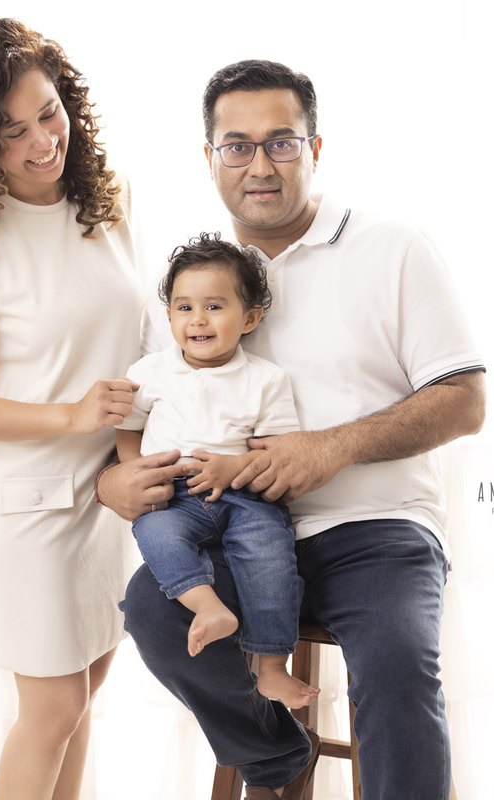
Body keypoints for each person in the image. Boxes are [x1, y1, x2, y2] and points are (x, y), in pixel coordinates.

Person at [97, 60, 487, 800]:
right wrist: (115, 480)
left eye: (281, 142)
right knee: (151, 607)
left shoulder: (395, 249)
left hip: (376, 529)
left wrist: (332, 448)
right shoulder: (190, 284)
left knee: (400, 668)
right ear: (209, 159)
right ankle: (275, 756)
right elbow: (149, 409)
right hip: (224, 526)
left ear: (315, 148)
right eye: (236, 145)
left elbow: (465, 400)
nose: (259, 164)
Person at [0, 19, 193, 800]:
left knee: (83, 696)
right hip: (25, 508)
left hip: (101, 497)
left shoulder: (111, 196)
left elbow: (140, 341)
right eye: (11, 132)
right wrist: (71, 417)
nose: (42, 141)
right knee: (53, 706)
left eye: (49, 112)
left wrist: (131, 467)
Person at [114, 233, 321, 709]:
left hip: (244, 494)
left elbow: (278, 451)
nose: (198, 320)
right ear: (168, 317)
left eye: (214, 307)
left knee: (269, 555)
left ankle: (271, 665)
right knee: (156, 535)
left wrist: (233, 469)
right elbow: (127, 429)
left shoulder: (266, 380)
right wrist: (137, 474)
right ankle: (207, 607)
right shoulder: (149, 372)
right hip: (173, 494)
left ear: (249, 318)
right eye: (184, 308)